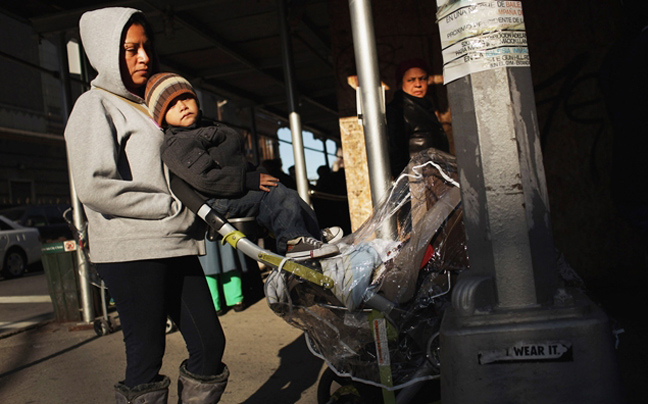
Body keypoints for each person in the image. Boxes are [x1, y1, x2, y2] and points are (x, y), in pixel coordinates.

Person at [64, 8, 228, 403]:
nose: (142, 57)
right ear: (105, 52)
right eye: (129, 49)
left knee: (209, 343)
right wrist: (171, 210)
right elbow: (94, 186)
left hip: (175, 242)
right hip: (131, 249)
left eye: (146, 47)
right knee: (146, 356)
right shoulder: (94, 105)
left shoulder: (150, 103)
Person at [144, 72, 342, 259]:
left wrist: (259, 174)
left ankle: (312, 237)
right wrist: (249, 180)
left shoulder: (210, 127)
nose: (182, 106)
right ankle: (295, 243)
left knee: (289, 194)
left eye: (186, 98)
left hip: (236, 191)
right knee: (276, 195)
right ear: (161, 117)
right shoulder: (178, 144)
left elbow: (238, 161)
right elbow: (205, 179)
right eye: (171, 105)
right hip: (218, 198)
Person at [386, 58, 450, 178]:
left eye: (422, 79)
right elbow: (395, 153)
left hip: (436, 180)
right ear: (401, 83)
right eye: (411, 80)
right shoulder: (397, 110)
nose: (418, 85)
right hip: (418, 182)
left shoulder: (425, 107)